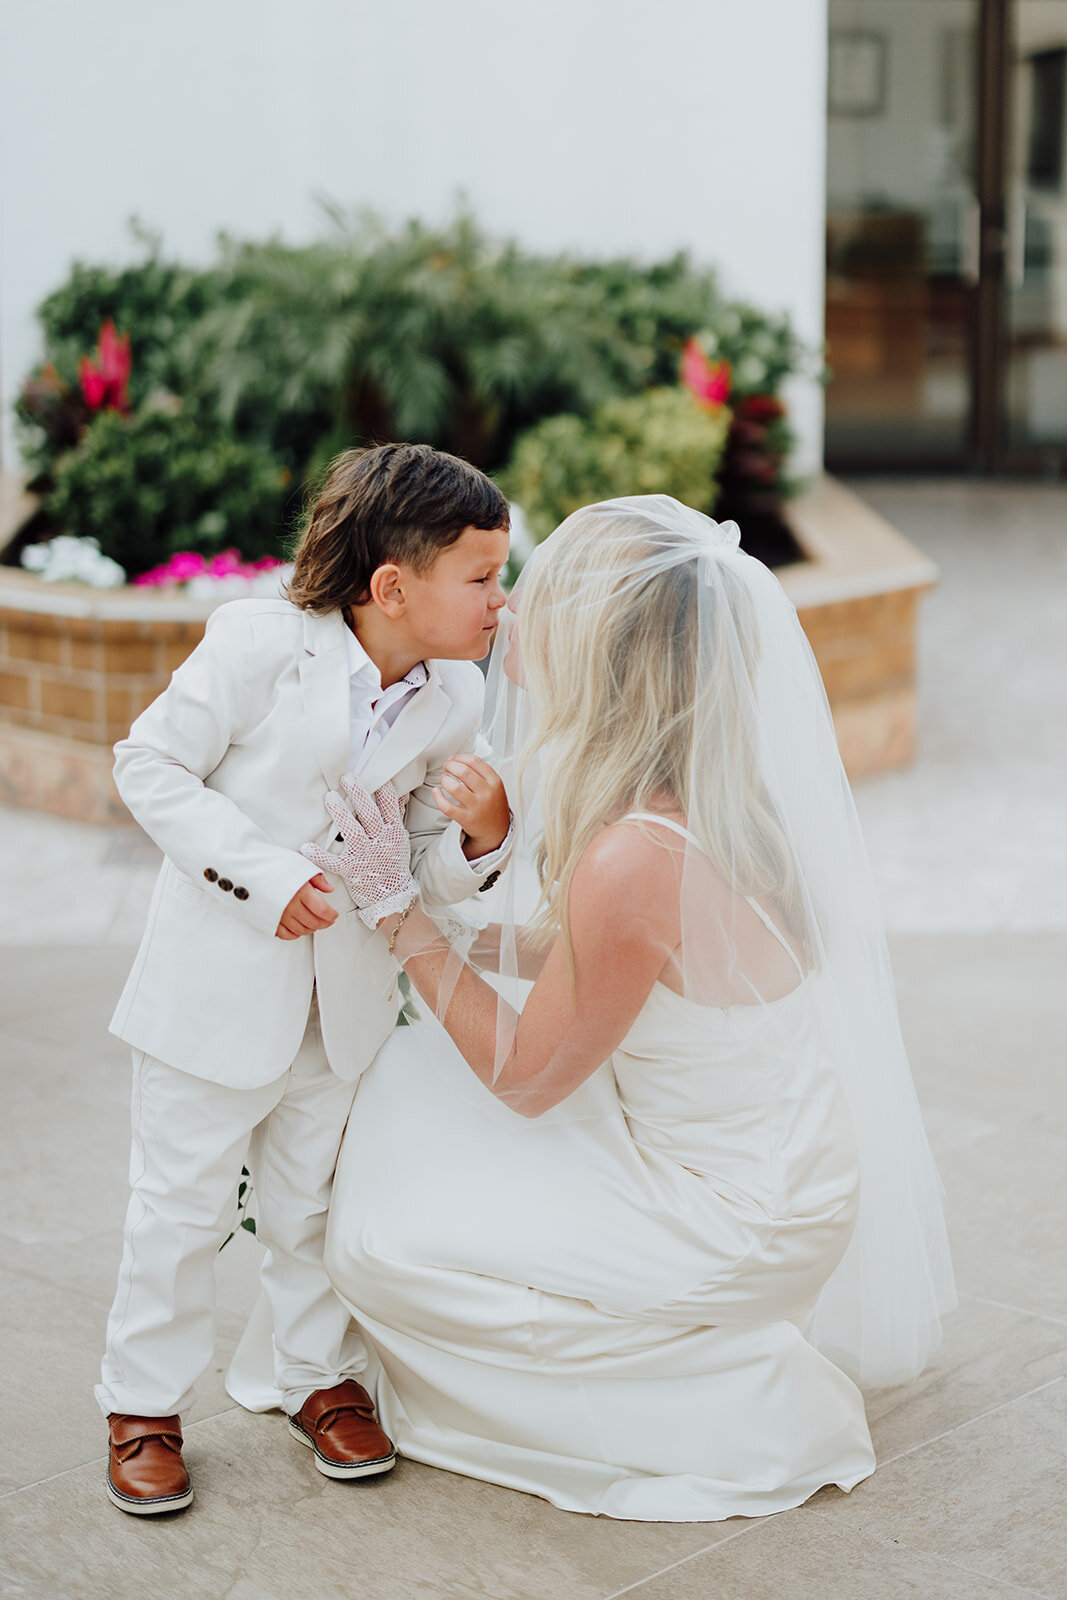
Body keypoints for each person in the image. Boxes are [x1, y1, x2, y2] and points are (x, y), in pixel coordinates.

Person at [308, 495, 956, 1522]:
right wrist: (457, 930)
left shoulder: (632, 852)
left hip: (735, 1218)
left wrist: (393, 909)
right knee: (416, 1085)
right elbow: (619, 966)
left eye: (548, 592)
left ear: (603, 647)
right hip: (771, 1155)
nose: (512, 602)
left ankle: (727, 1393)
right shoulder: (698, 784)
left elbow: (526, 1075)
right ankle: (677, 1342)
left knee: (376, 1247)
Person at [97, 443, 513, 1515]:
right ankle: (142, 1404)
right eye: (478, 576)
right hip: (216, 988)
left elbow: (411, 866)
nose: (497, 600)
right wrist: (266, 876)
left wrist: (479, 841)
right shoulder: (255, 644)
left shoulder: (454, 699)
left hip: (350, 1000)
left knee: (312, 1206)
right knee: (177, 1206)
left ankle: (315, 1379)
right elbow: (147, 764)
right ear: (391, 586)